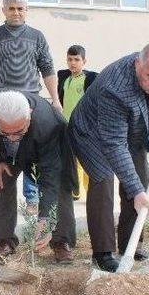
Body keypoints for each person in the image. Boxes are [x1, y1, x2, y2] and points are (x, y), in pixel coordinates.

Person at [68, 42, 149, 272]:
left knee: (139, 180)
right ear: (138, 64)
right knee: (103, 180)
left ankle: (131, 243)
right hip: (91, 132)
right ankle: (103, 253)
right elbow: (114, 143)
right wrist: (136, 191)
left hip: (132, 129)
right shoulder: (115, 87)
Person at [0, 0, 62, 215]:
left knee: (31, 151)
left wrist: (56, 99)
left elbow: (47, 69)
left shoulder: (37, 37)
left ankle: (31, 198)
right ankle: (3, 198)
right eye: (11, 8)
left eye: (20, 8)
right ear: (3, 10)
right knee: (4, 150)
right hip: (0, 102)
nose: (16, 13)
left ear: (27, 10)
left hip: (30, 103)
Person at [0, 89, 77, 263]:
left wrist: (46, 218)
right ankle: (4, 241)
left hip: (41, 146)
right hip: (2, 152)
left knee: (60, 187)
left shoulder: (49, 124)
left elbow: (51, 176)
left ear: (29, 115)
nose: (12, 139)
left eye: (18, 132)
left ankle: (60, 241)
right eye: (6, 132)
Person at [56, 45, 97, 200]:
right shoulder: (65, 79)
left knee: (85, 161)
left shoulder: (89, 79)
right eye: (70, 59)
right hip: (67, 126)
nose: (73, 63)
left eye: (77, 59)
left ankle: (92, 192)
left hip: (85, 127)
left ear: (84, 61)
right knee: (71, 160)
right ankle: (75, 191)